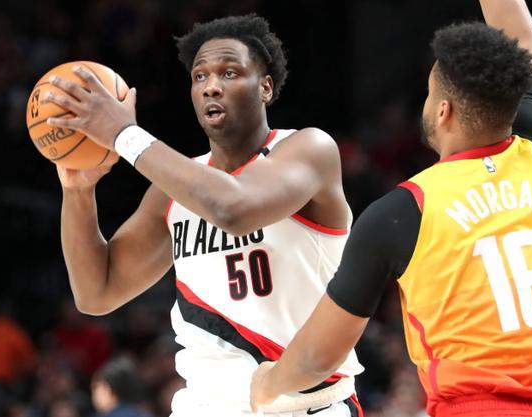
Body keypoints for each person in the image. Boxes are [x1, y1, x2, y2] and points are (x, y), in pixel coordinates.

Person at [249, 1, 532, 416]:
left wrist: (268, 382)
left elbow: (317, 358)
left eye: (430, 93)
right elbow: (523, 37)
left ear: (443, 111)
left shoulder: (403, 211)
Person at [43, 14, 364, 416]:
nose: (211, 85)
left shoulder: (309, 149)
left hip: (303, 405)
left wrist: (124, 135)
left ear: (265, 86)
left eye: (229, 72)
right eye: (200, 76)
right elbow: (97, 293)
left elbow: (233, 209)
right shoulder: (172, 190)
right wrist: (78, 191)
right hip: (204, 405)